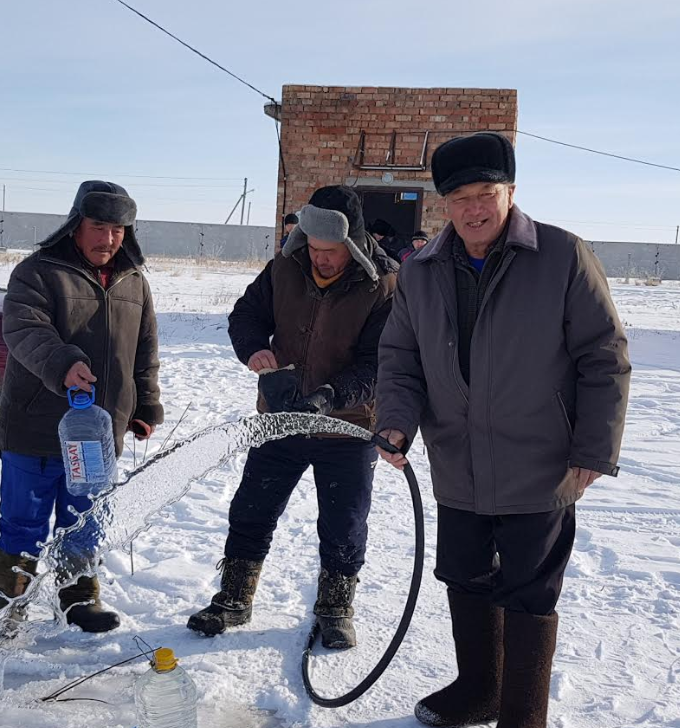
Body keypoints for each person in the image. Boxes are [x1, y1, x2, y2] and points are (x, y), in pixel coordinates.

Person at [375, 132, 630, 727]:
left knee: (529, 592)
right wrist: (395, 421)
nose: (473, 209)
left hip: (541, 463)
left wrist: (594, 447)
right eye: (459, 197)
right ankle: (479, 688)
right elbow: (400, 359)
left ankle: (522, 716)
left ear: (511, 192)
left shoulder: (563, 256)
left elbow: (604, 355)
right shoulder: (421, 272)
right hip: (457, 463)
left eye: (485, 193)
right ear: (444, 204)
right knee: (464, 576)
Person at [187, 185, 397, 649]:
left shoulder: (383, 285)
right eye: (315, 248)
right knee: (251, 510)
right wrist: (255, 351)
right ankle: (234, 598)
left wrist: (329, 395)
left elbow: (379, 361)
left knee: (344, 524)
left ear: (356, 243)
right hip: (279, 420)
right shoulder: (284, 266)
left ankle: (336, 607)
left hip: (348, 426)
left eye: (332, 252)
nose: (321, 259)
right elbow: (246, 315)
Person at [0, 180, 164, 634]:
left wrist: (145, 405)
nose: (108, 239)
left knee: (83, 520)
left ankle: (78, 598)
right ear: (76, 225)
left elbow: (144, 352)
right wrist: (63, 363)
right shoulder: (37, 272)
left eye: (119, 229)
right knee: (23, 522)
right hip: (36, 426)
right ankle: (9, 606)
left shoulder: (134, 282)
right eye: (99, 226)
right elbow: (24, 330)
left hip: (97, 434)